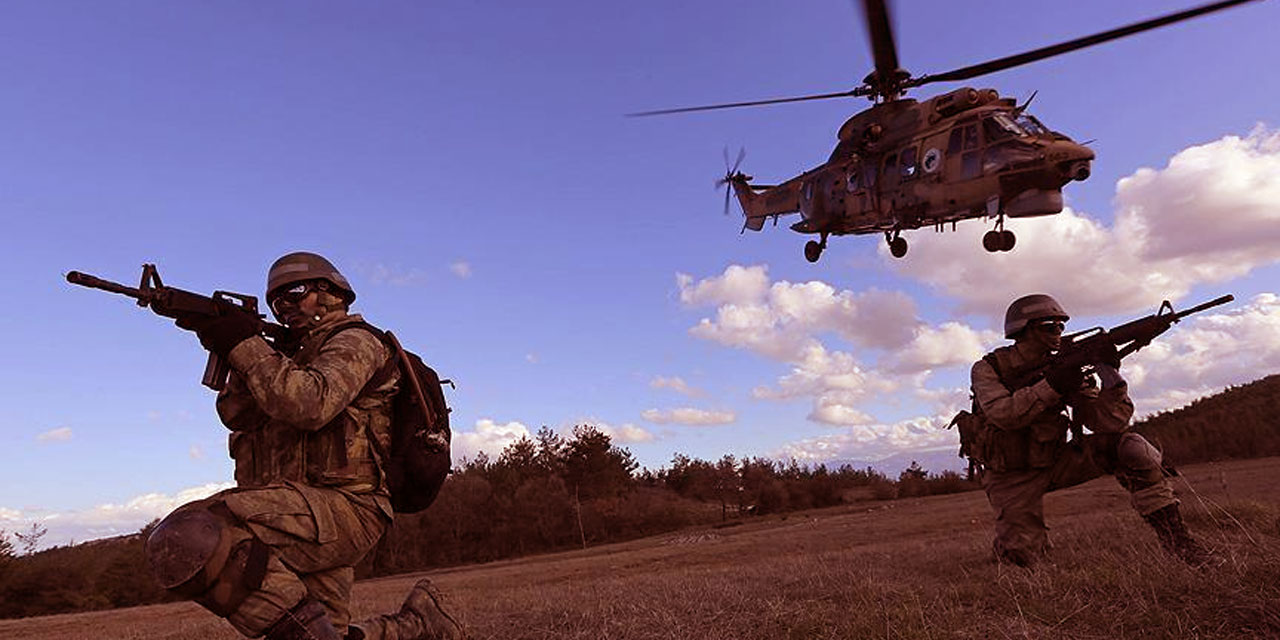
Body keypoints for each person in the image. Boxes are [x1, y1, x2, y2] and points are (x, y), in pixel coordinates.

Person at [143, 252, 465, 640]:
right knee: (328, 632)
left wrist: (244, 343)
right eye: (277, 301)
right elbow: (236, 414)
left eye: (295, 292)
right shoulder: (285, 357)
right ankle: (418, 626)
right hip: (300, 510)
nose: (286, 307)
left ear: (332, 292)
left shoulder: (357, 342)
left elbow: (310, 404)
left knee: (194, 533)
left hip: (347, 509)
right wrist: (234, 344)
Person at [970, 293, 1211, 568]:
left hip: (1056, 460)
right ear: (1024, 330)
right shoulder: (989, 368)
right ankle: (1009, 547)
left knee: (1132, 447)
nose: (1058, 333)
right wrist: (1053, 386)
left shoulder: (1064, 366)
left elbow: (1107, 423)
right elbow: (1004, 415)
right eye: (1050, 326)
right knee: (1022, 561)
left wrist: (1111, 376)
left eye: (1061, 326)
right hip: (1010, 475)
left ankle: (1181, 546)